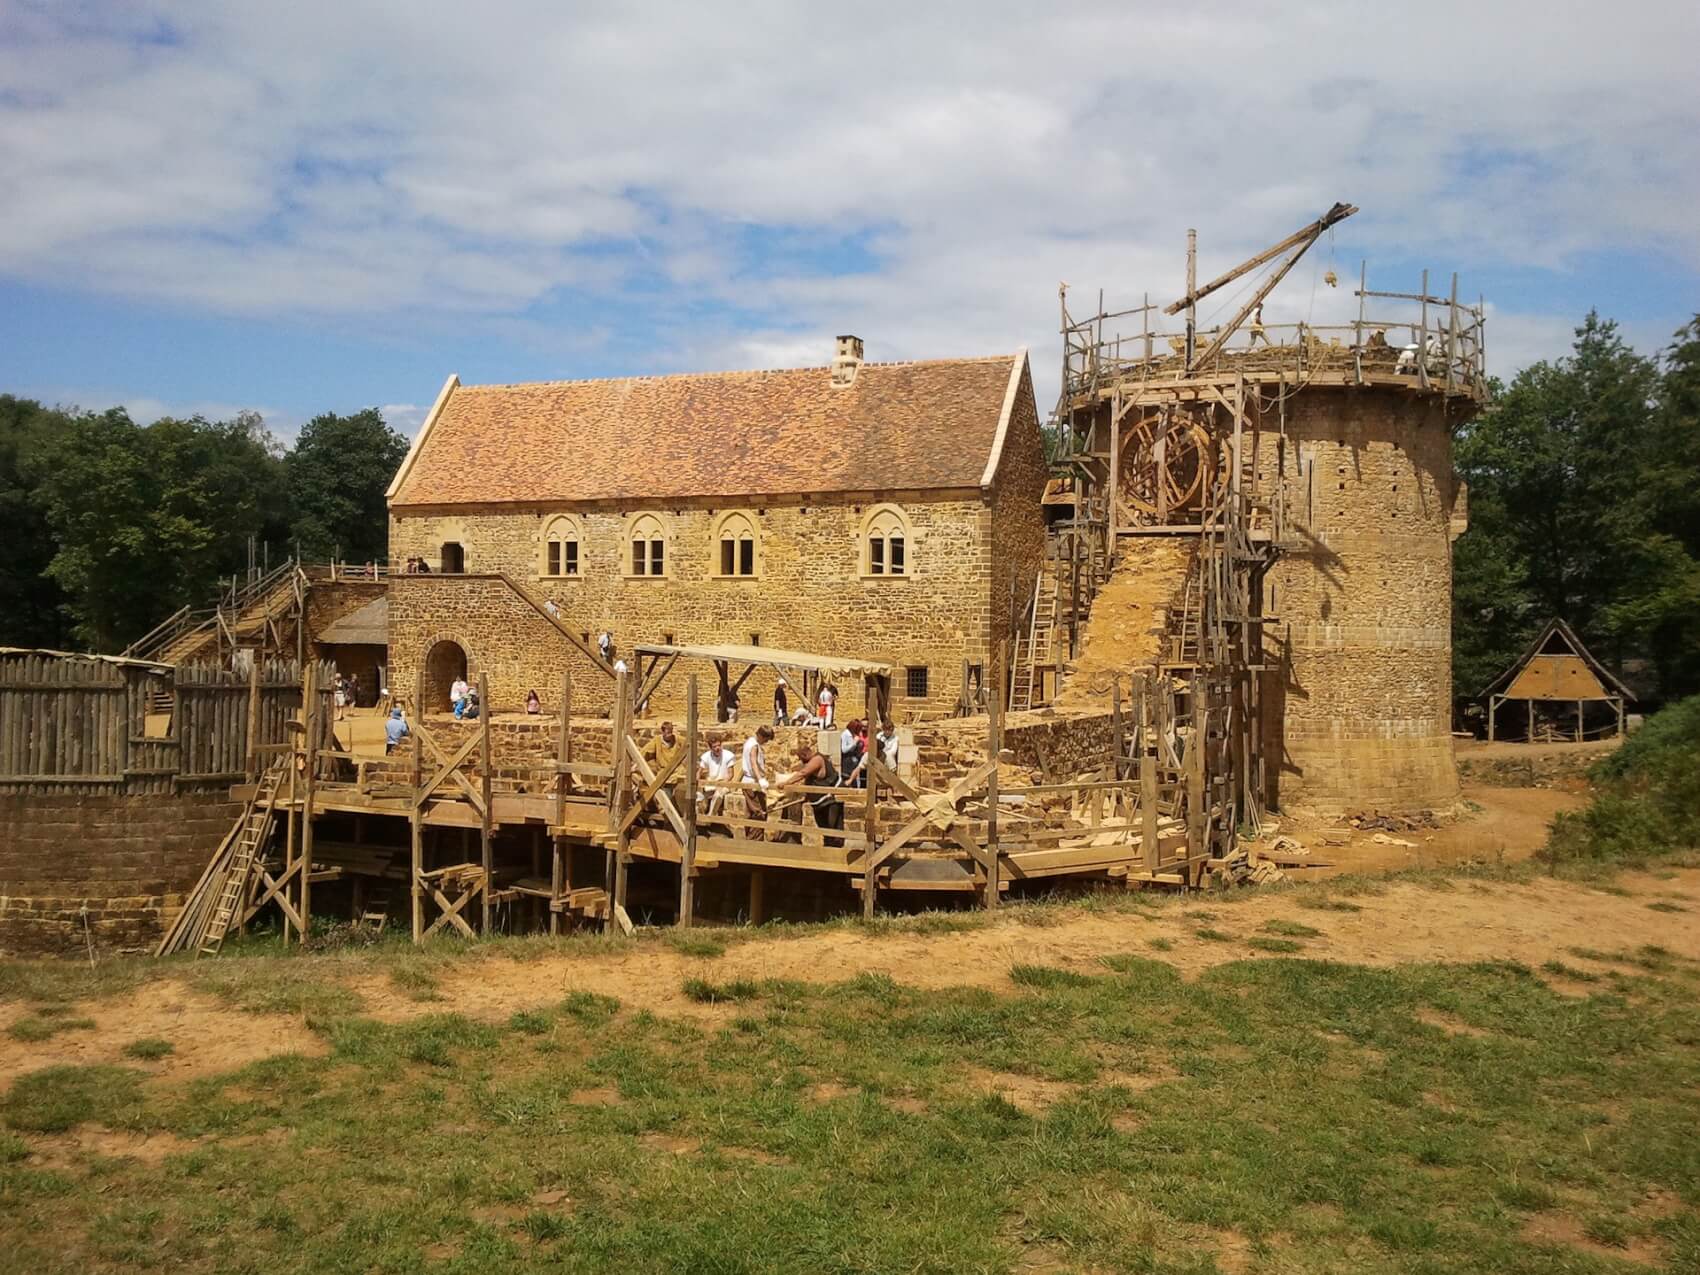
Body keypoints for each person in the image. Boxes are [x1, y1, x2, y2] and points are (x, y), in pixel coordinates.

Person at [776, 738, 842, 846]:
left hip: (829, 801)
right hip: (819, 803)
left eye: (800, 758)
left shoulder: (817, 760)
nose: (801, 761)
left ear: (805, 755)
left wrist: (786, 783)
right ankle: (828, 850)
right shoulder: (812, 761)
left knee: (832, 830)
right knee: (824, 830)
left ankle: (834, 853)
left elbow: (803, 773)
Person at [644, 721, 688, 816]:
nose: (670, 735)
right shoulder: (657, 741)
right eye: (668, 732)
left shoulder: (677, 739)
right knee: (664, 790)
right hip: (664, 771)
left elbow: (688, 745)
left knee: (680, 790)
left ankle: (676, 813)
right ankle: (667, 812)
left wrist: (684, 762)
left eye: (671, 732)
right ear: (663, 732)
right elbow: (644, 751)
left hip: (676, 770)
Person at [741, 725, 773, 837]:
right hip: (752, 782)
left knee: (750, 812)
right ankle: (755, 840)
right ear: (761, 736)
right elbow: (753, 762)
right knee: (758, 813)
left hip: (749, 781)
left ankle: (750, 837)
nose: (766, 742)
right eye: (766, 739)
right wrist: (760, 779)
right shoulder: (754, 745)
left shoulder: (749, 741)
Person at [698, 731, 735, 815]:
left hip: (724, 783)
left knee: (717, 796)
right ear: (711, 748)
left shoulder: (728, 755)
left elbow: (730, 774)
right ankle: (700, 816)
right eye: (715, 746)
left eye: (719, 745)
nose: (717, 748)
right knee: (698, 796)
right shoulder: (706, 756)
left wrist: (722, 784)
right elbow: (699, 772)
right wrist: (697, 783)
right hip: (711, 783)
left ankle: (711, 815)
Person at [839, 719, 868, 788]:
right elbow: (844, 750)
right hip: (847, 761)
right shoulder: (845, 734)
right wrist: (854, 743)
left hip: (854, 760)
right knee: (848, 777)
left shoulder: (853, 735)